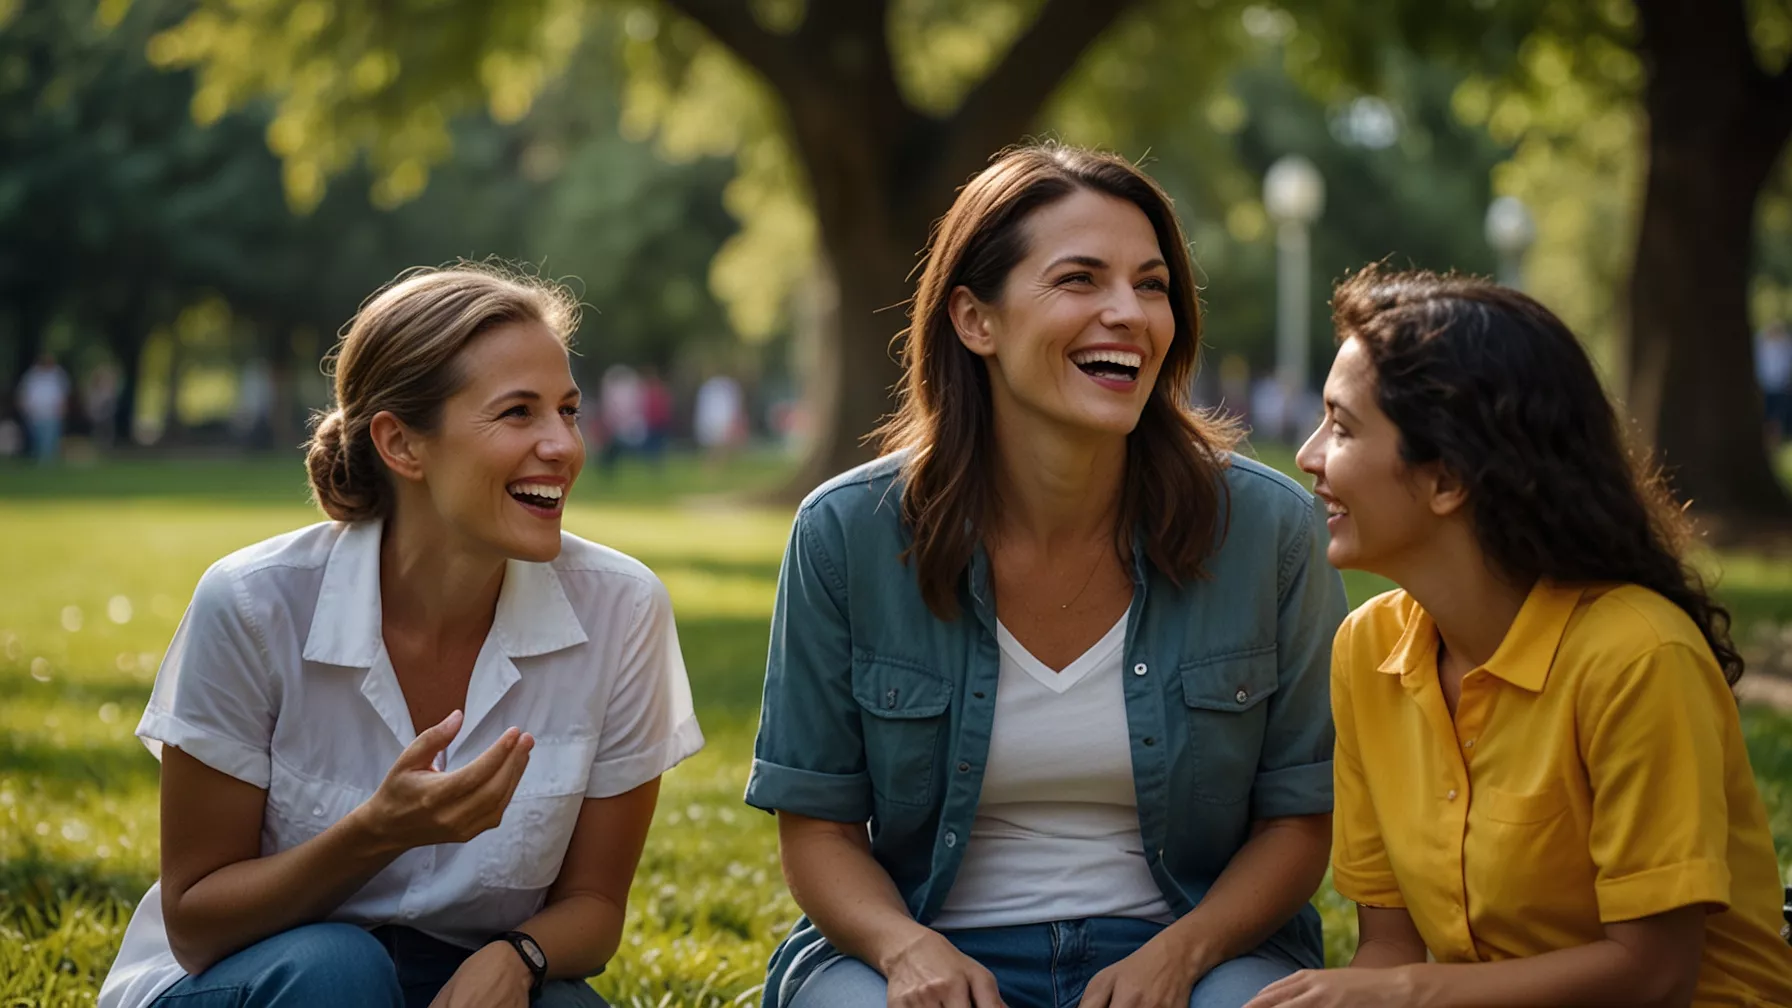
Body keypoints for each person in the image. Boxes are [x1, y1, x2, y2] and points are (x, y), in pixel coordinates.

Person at [746, 143, 1346, 1008]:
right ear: (974, 320)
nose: (1128, 313)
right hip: (924, 942)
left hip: (1196, 950)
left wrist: (1179, 958)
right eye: (1079, 280)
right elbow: (818, 830)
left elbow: (1298, 821)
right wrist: (907, 952)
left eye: (1151, 285)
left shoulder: (1269, 530)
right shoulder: (845, 534)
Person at [97, 265, 704, 1008]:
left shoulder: (624, 609)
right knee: (338, 970)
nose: (563, 446)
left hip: (459, 975)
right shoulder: (254, 603)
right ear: (401, 444)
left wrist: (520, 956)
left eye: (568, 411)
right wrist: (377, 833)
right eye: (518, 413)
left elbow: (596, 906)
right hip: (256, 976)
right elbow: (196, 925)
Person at [1250, 267, 1792, 1007]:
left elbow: (1655, 975)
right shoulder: (1366, 652)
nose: (1308, 455)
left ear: (1447, 479)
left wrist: (1406, 993)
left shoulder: (1638, 657)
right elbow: (1390, 947)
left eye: (1342, 428)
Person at [16, 351, 71, 464]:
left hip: (52, 412)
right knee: (37, 438)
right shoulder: (32, 375)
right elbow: (24, 393)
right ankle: (40, 458)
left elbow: (63, 393)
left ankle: (49, 459)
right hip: (35, 413)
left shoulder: (57, 375)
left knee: (51, 438)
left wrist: (62, 408)